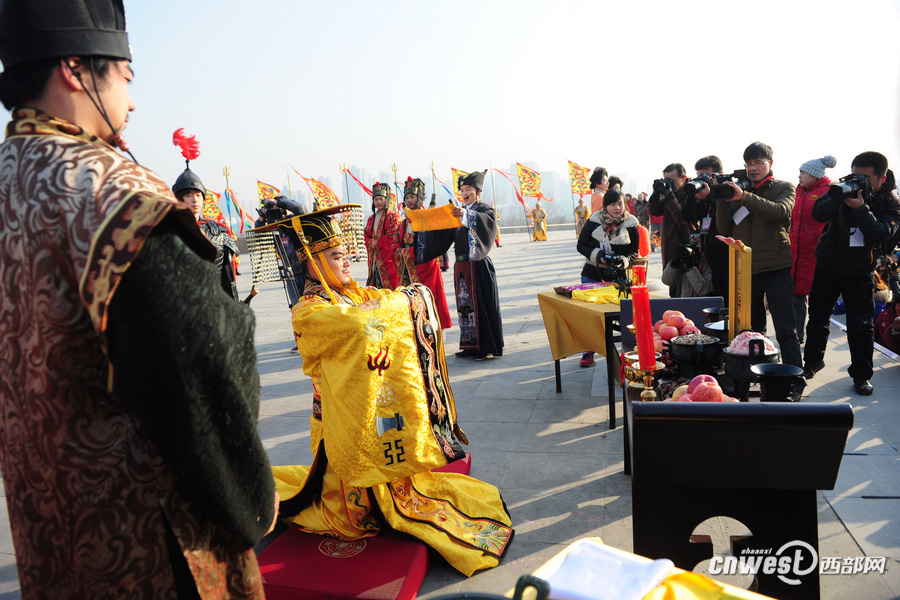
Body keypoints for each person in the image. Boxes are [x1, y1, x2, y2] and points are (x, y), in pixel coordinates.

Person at [0, 1, 277, 597]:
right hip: (149, 549)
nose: (133, 99)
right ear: (76, 70)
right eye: (126, 76)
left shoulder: (9, 180)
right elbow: (203, 376)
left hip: (49, 532)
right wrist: (252, 503)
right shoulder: (120, 196)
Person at [266, 206, 514, 576]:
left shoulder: (351, 294)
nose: (347, 263)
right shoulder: (309, 311)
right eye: (336, 257)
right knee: (352, 509)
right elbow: (359, 323)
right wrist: (404, 302)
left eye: (347, 255)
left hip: (367, 409)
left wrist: (405, 298)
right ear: (314, 262)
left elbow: (382, 302)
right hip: (339, 419)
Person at [803, 151, 900, 395]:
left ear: (882, 178)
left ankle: (861, 376)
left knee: (861, 325)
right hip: (828, 265)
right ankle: (812, 363)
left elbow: (881, 234)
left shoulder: (891, 202)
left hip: (859, 271)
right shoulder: (844, 187)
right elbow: (818, 213)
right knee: (816, 319)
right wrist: (840, 195)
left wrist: (861, 208)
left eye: (865, 178)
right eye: (856, 175)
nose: (859, 181)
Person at [717, 142, 803, 393]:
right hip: (747, 269)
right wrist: (722, 199)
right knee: (751, 330)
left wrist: (745, 197)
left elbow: (780, 211)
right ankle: (753, 377)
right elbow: (724, 228)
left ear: (770, 164)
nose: (753, 168)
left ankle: (794, 379)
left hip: (776, 267)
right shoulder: (739, 190)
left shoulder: (783, 187)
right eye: (749, 164)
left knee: (786, 329)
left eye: (758, 162)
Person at [432, 170, 504, 359]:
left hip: (478, 265)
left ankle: (485, 347)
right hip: (462, 267)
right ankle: (470, 345)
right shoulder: (458, 211)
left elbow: (487, 224)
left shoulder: (484, 210)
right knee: (465, 308)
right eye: (462, 190)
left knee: (481, 307)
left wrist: (466, 215)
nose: (465, 193)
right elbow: (444, 236)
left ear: (478, 191)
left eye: (468, 189)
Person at [576, 189, 639, 366]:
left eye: (620, 204)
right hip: (592, 274)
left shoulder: (631, 223)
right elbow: (581, 245)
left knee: (623, 316)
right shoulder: (594, 220)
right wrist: (598, 255)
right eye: (612, 204)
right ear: (605, 206)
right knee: (591, 316)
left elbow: (634, 251)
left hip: (617, 277)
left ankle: (628, 353)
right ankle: (588, 351)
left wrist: (624, 260)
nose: (617, 208)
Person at [172, 159, 242, 301]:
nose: (195, 200)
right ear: (180, 200)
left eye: (198, 195)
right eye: (188, 195)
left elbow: (228, 277)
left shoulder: (218, 231)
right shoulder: (169, 231)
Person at [790, 155, 836, 344]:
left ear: (815, 175)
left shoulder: (830, 191)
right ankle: (797, 335)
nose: (799, 176)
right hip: (796, 252)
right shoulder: (798, 191)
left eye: (803, 172)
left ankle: (815, 339)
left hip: (817, 253)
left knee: (817, 300)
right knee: (796, 297)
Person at [399, 176, 452, 329]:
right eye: (407, 197)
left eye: (412, 197)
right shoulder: (405, 220)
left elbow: (437, 238)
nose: (409, 200)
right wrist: (402, 252)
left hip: (427, 266)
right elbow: (397, 242)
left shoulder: (427, 217)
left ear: (419, 198)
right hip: (409, 267)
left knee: (430, 301)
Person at [681, 155, 730, 302]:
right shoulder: (705, 200)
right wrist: (690, 195)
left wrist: (710, 196)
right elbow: (688, 216)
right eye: (699, 176)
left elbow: (724, 224)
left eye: (706, 176)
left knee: (727, 305)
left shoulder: (727, 191)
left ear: (718, 174)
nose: (702, 180)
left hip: (727, 262)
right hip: (712, 262)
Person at [649, 163, 693, 297]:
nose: (669, 184)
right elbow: (655, 211)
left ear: (683, 178)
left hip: (686, 256)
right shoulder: (669, 194)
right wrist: (656, 195)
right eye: (666, 180)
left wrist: (669, 196)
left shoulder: (690, 195)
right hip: (671, 256)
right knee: (673, 294)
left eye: (671, 180)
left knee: (684, 297)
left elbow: (682, 218)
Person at [363, 181, 404, 288]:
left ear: (387, 200)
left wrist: (376, 243)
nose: (379, 202)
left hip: (389, 259)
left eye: (381, 199)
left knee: (392, 288)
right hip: (375, 260)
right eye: (376, 199)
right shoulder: (371, 219)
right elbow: (365, 235)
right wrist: (370, 242)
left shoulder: (394, 217)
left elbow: (393, 236)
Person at [661, 234, 714, 298]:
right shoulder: (685, 262)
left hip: (703, 305)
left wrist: (691, 268)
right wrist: (675, 263)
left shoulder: (709, 264)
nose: (694, 239)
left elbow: (703, 290)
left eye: (698, 238)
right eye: (692, 238)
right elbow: (667, 280)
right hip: (685, 304)